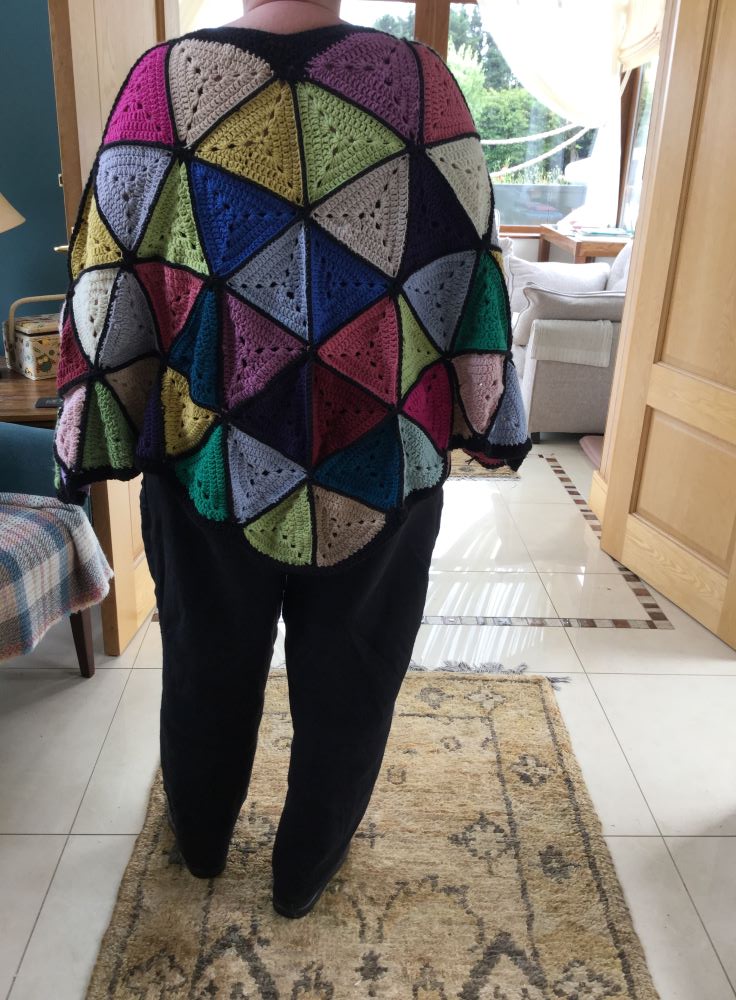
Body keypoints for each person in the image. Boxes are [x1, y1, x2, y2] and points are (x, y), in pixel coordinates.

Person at [52, 0, 532, 919]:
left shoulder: (163, 84)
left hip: (207, 453)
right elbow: (473, 268)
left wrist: (107, 410)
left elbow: (110, 272)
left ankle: (200, 841)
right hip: (380, 451)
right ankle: (305, 870)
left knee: (205, 665)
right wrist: (471, 399)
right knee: (356, 675)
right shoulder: (422, 85)